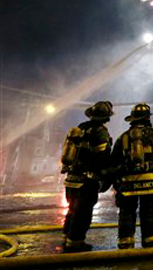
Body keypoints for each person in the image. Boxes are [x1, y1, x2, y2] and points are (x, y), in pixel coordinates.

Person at [111, 103, 153, 249]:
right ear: (148, 118)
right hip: (151, 183)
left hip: (127, 183)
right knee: (149, 212)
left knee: (126, 212)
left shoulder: (123, 137)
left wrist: (115, 182)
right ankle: (149, 242)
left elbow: (113, 162)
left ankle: (125, 242)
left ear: (132, 119)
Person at [61, 101, 113, 252]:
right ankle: (75, 243)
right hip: (87, 180)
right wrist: (106, 177)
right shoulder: (101, 132)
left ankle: (67, 238)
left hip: (71, 179)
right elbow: (102, 159)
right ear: (107, 117)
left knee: (72, 210)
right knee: (83, 213)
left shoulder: (80, 128)